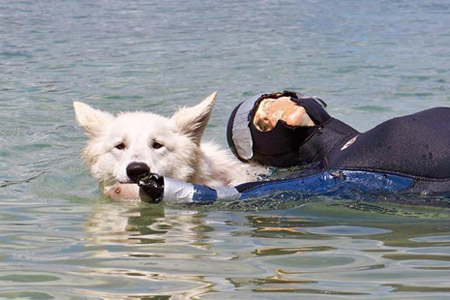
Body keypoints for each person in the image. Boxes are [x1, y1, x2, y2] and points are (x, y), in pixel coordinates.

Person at [136, 91, 450, 205]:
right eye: (262, 123)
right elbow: (245, 195)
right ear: (269, 154)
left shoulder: (363, 141)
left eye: (272, 101)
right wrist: (165, 190)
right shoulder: (339, 172)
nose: (274, 112)